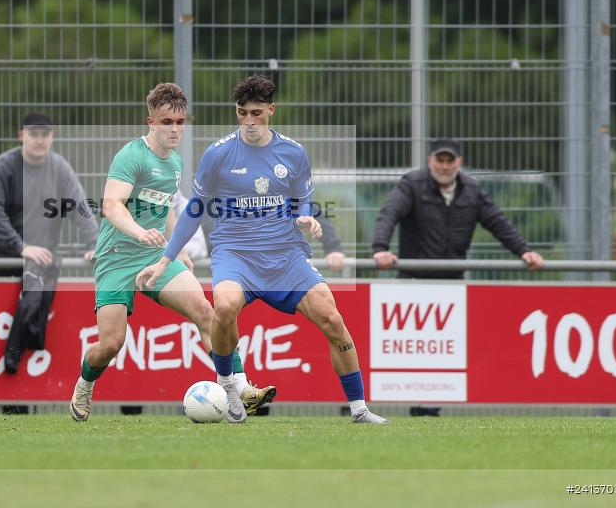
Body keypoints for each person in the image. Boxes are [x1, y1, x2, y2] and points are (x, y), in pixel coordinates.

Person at [137, 75, 389, 425]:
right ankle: (229, 388)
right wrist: (166, 260)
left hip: (285, 256)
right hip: (235, 255)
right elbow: (194, 209)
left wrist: (305, 219)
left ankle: (360, 409)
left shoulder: (294, 153)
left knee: (332, 319)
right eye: (243, 114)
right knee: (224, 307)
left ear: (271, 110)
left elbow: (303, 200)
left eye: (256, 113)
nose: (250, 122)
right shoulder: (218, 153)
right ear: (236, 112)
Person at [68, 83, 276, 422]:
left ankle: (238, 389)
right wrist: (139, 232)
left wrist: (176, 249)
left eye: (180, 122)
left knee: (206, 312)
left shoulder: (175, 162)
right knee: (111, 343)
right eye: (167, 122)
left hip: (154, 257)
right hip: (116, 258)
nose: (175, 129)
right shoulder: (131, 156)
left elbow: (166, 210)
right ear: (151, 122)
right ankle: (84, 384)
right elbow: (112, 205)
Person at [0, 112, 99, 379]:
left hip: (40, 264)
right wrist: (21, 247)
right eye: (34, 134)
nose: (40, 140)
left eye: (45, 134)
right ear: (22, 136)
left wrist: (95, 244)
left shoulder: (60, 168)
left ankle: (19, 361)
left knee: (34, 324)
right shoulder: (3, 167)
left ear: (52, 137)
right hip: (1, 262)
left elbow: (80, 209)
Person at [371, 138, 545, 279]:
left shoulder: (473, 190)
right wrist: (380, 249)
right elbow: (390, 213)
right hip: (413, 280)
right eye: (440, 160)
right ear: (430, 160)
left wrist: (524, 251)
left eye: (450, 161)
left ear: (459, 162)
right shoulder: (412, 185)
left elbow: (498, 223)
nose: (445, 167)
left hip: (453, 283)